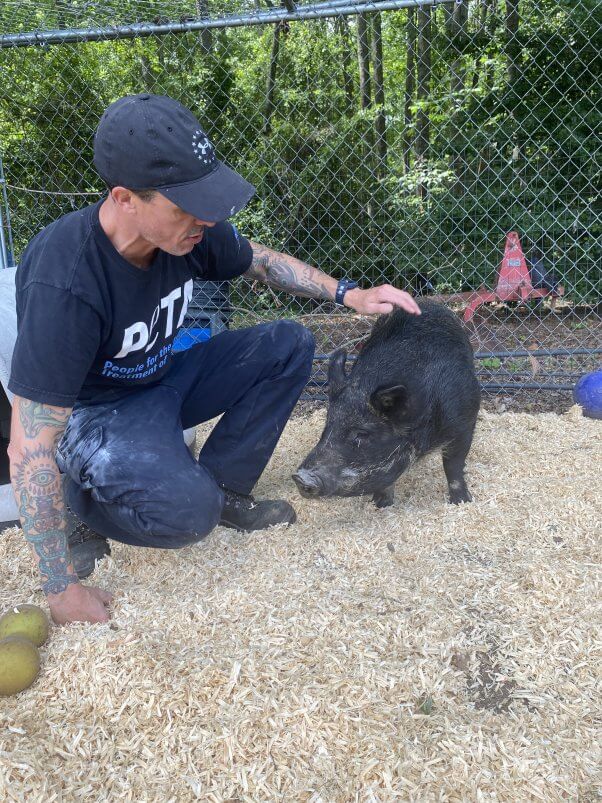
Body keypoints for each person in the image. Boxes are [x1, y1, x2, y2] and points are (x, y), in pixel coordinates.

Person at [7, 94, 421, 627]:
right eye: (185, 206)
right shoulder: (66, 278)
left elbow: (260, 261)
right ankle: (80, 506)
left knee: (289, 343)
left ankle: (223, 488)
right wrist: (61, 589)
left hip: (164, 377)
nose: (204, 218)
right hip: (98, 414)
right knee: (185, 515)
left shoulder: (187, 233)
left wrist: (350, 294)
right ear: (125, 198)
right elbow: (30, 441)